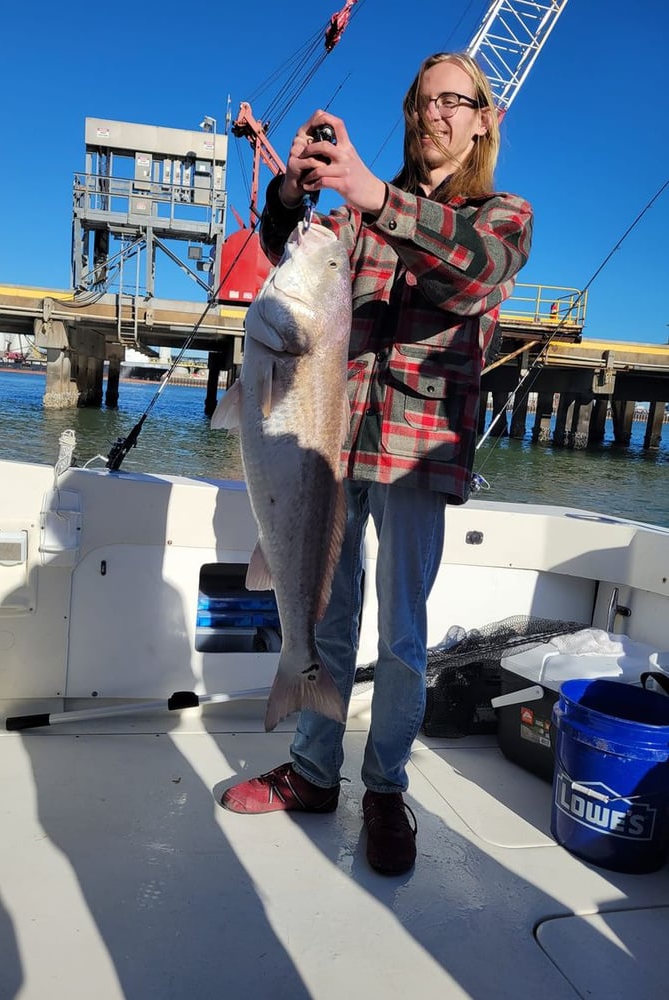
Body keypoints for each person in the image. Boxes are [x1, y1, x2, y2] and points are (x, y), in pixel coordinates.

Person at [220, 52, 533, 876]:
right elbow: (296, 252)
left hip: (416, 456)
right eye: (422, 101)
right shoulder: (358, 218)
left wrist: (375, 194)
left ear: (482, 119)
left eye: (452, 101)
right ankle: (316, 771)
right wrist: (295, 193)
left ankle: (385, 788)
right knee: (325, 614)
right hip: (332, 440)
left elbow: (471, 272)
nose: (434, 114)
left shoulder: (503, 214)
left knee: (401, 633)